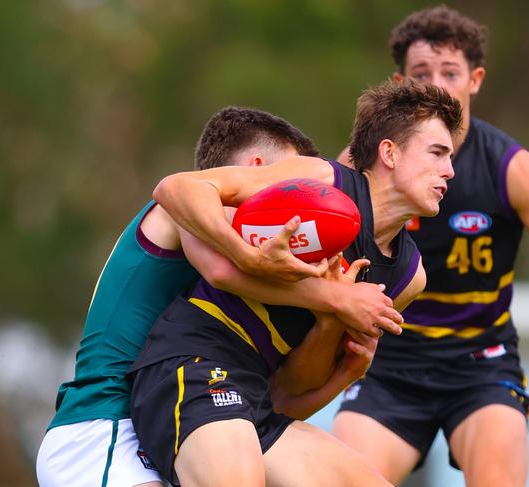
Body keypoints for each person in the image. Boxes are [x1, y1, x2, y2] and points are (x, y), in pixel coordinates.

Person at [36, 106, 399, 487]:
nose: (304, 196)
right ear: (257, 169)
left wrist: (345, 372)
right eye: (294, 181)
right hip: (103, 427)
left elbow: (273, 407)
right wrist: (335, 298)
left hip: (159, 430)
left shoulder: (229, 322)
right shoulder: (186, 210)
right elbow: (222, 270)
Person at [128, 78, 462, 486]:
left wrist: (331, 322)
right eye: (437, 153)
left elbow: (294, 385)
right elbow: (177, 188)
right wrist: (251, 256)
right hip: (194, 365)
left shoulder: (409, 276)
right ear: (389, 153)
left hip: (259, 400)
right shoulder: (323, 182)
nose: (449, 170)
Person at [332, 6, 529, 486]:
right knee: (340, 476)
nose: (437, 85)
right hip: (389, 362)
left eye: (450, 72)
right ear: (400, 82)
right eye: (422, 73)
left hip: (481, 364)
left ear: (475, 79)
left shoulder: (511, 168)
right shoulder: (362, 164)